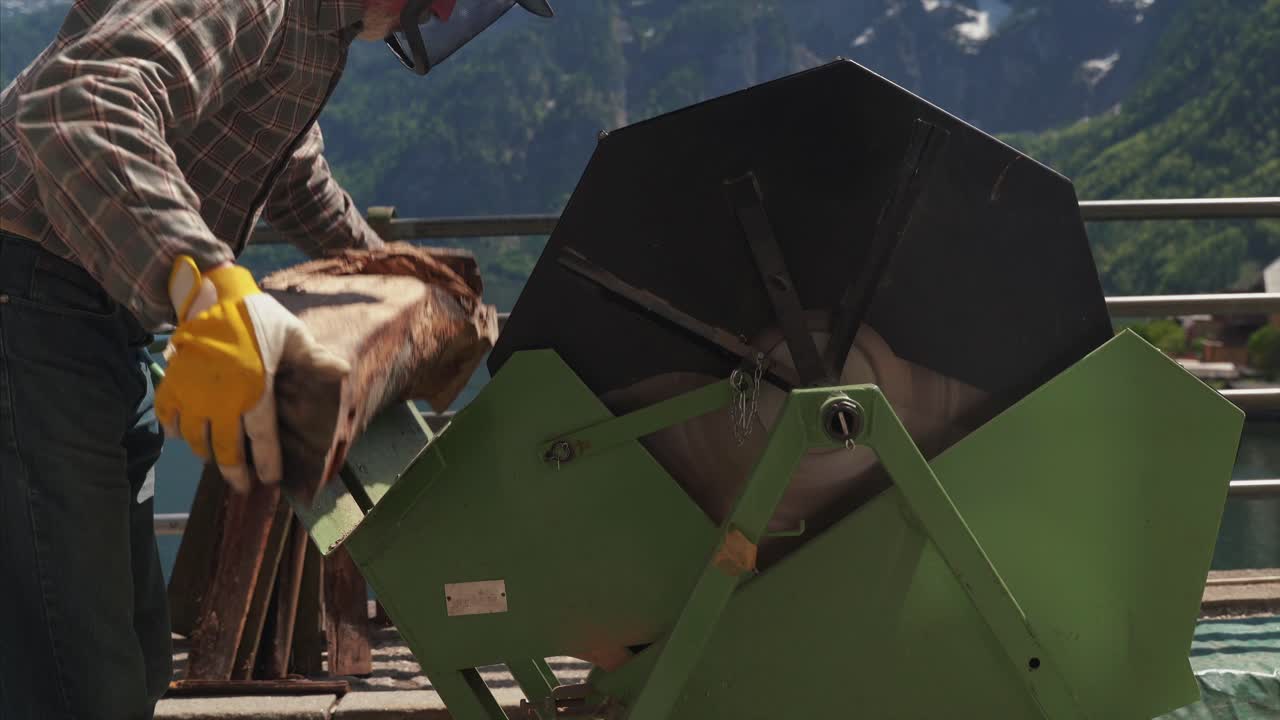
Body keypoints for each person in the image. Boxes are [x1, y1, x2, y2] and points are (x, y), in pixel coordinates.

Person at [0, 1, 552, 717]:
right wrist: (208, 283)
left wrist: (395, 274)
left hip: (102, 317)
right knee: (75, 672)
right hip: (29, 302)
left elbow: (289, 172)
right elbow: (79, 103)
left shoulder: (316, 28)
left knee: (130, 655)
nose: (447, 8)